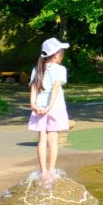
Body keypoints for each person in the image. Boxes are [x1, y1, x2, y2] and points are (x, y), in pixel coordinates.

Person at [28, 37, 70, 182]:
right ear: (57, 54)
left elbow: (33, 88)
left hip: (38, 108)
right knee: (53, 139)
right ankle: (51, 170)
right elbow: (56, 89)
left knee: (41, 140)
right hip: (55, 107)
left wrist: (33, 104)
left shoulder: (37, 68)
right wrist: (50, 107)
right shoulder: (60, 69)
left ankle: (43, 171)